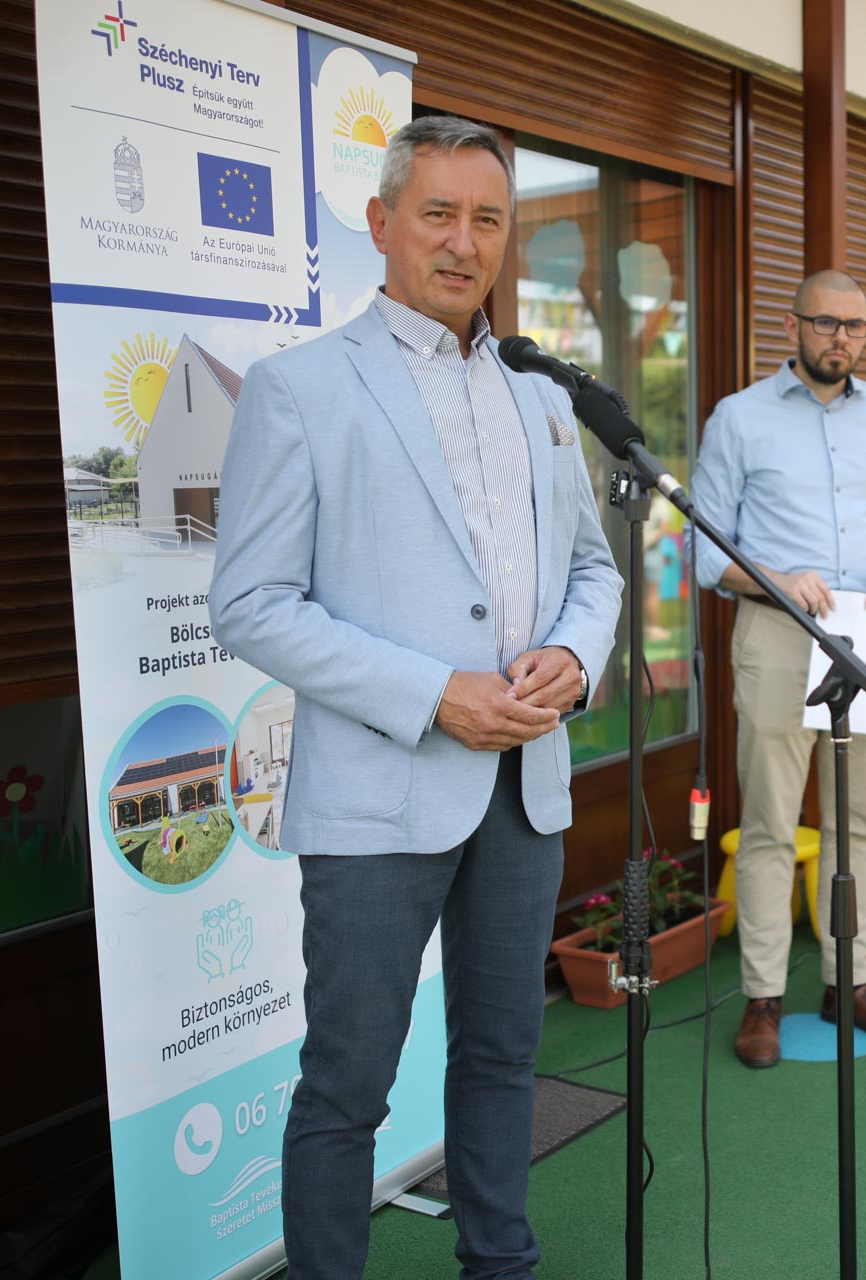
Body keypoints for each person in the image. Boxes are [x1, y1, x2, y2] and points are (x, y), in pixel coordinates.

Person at [209, 116, 623, 1280]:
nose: (463, 241)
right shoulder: (298, 388)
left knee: (503, 1053)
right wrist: (434, 693)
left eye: (487, 218)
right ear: (382, 221)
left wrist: (574, 656)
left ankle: (502, 1261)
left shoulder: (540, 395)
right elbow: (250, 602)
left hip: (524, 783)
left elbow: (594, 569)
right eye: (437, 213)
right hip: (377, 795)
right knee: (348, 1081)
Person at [693, 268, 866, 1068]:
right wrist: (771, 576)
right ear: (793, 325)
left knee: (856, 825)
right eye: (827, 322)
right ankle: (763, 999)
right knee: (770, 826)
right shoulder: (739, 418)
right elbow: (704, 550)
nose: (841, 338)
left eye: (856, 326)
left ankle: (850, 984)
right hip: (777, 633)